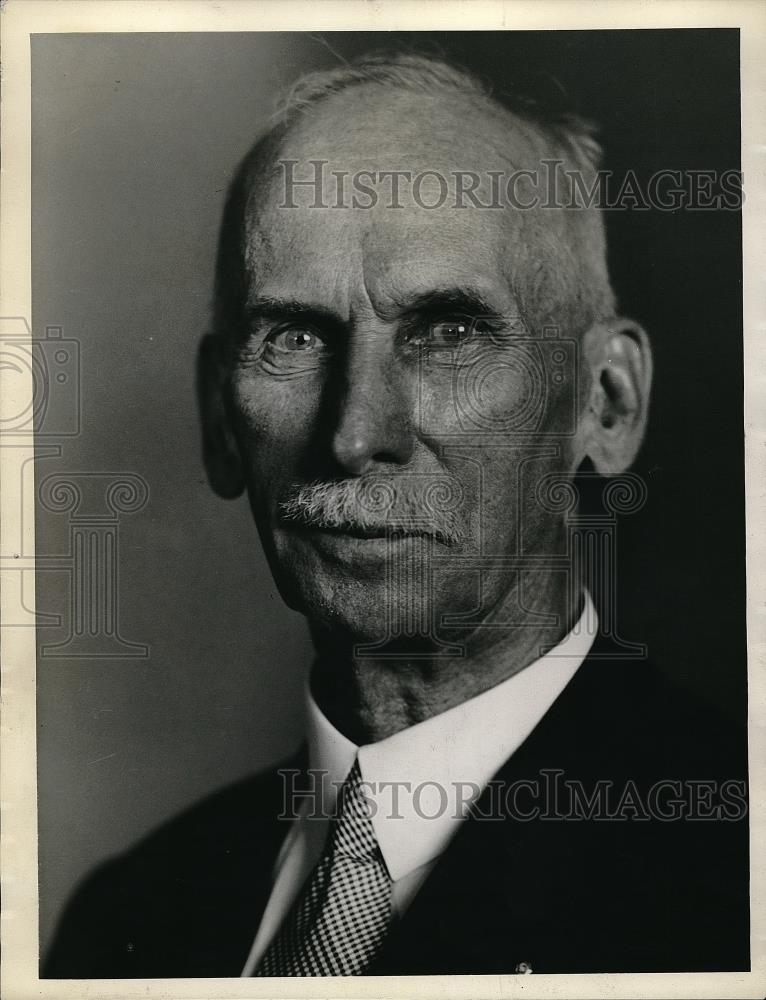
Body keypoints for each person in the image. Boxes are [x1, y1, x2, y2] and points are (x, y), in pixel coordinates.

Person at [44, 51, 748, 978]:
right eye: (294, 337)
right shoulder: (127, 918)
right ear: (219, 420)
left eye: (448, 333)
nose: (354, 433)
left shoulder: (733, 876)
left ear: (605, 404)